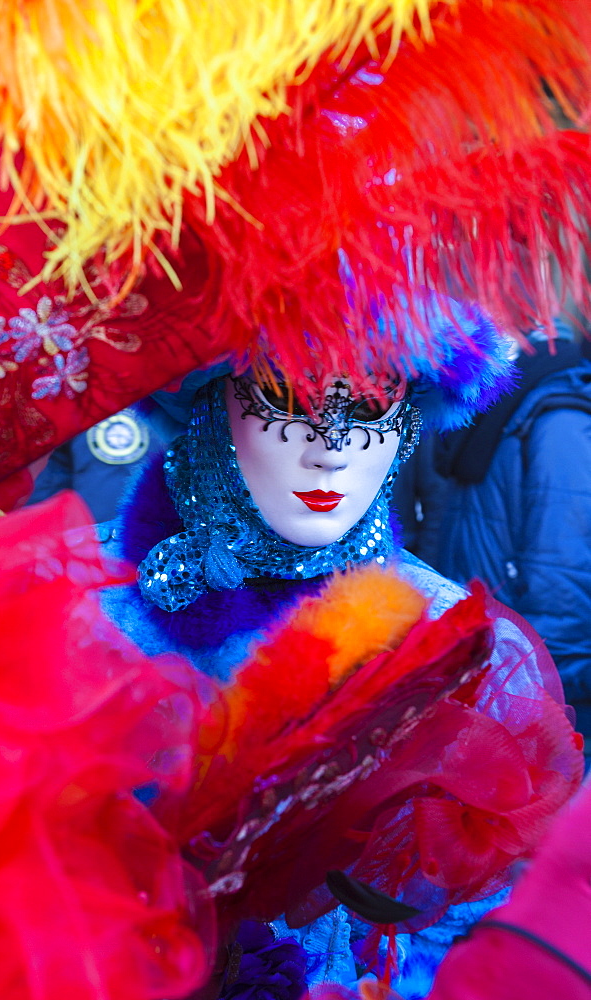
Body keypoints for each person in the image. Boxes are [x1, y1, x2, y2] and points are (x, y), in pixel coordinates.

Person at [99, 321, 582, 997]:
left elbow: (476, 939)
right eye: (287, 399)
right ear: (210, 402)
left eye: (371, 406)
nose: (330, 451)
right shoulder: (76, 612)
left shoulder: (457, 648)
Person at [435, 322, 591, 765]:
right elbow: (559, 573)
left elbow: (561, 576)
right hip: (506, 669)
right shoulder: (536, 415)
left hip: (515, 674)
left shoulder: (545, 415)